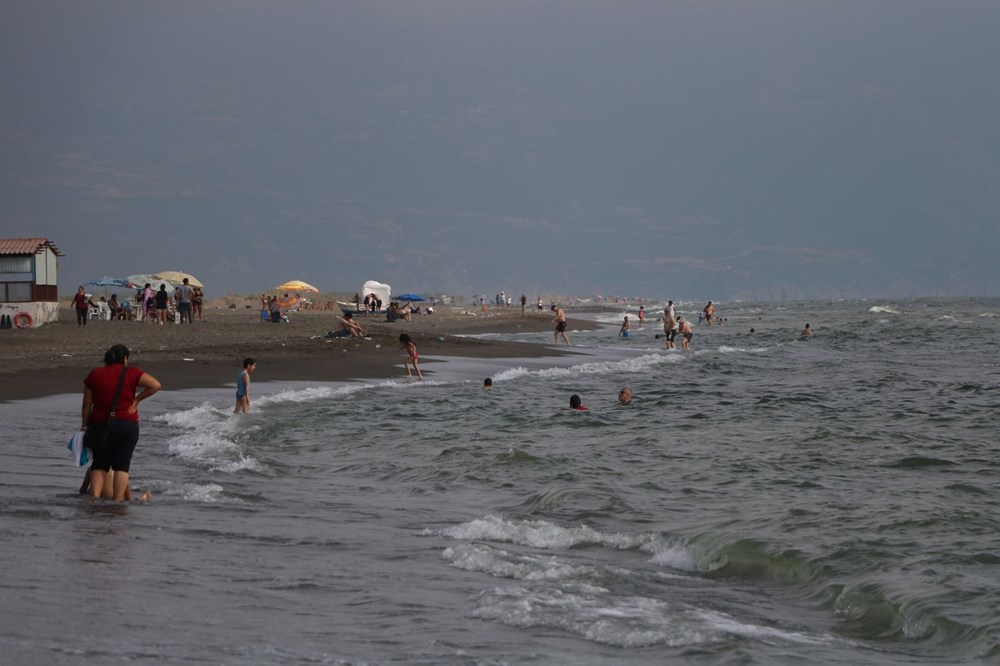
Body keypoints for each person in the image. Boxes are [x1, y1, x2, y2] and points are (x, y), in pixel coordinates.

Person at [80, 344, 161, 501]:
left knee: (98, 463)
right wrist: (136, 400)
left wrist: (85, 425)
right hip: (127, 424)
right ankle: (118, 502)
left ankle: (94, 498)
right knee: (122, 466)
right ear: (125, 359)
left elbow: (86, 404)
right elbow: (155, 385)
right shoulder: (133, 372)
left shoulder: (95, 374)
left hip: (100, 423)